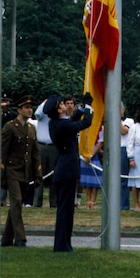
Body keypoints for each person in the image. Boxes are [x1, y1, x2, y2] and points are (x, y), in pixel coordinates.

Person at [45, 92, 93, 252]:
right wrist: (90, 109)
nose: (65, 105)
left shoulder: (56, 123)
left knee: (65, 210)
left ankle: (63, 244)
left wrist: (82, 107)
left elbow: (72, 120)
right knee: (66, 210)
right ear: (59, 109)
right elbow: (85, 123)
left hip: (64, 169)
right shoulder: (61, 125)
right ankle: (62, 246)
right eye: (62, 104)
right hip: (67, 170)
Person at [1, 95, 42, 247]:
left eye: (31, 108)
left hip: (25, 171)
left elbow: (35, 152)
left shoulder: (31, 129)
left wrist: (38, 173)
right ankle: (20, 238)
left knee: (16, 205)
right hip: (12, 170)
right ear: (19, 110)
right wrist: (2, 174)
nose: (29, 110)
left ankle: (6, 239)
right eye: (26, 108)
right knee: (16, 201)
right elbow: (3, 152)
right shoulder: (10, 127)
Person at [27, 98, 58, 208]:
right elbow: (37, 113)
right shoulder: (42, 116)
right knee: (39, 174)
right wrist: (44, 103)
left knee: (53, 176)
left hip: (53, 146)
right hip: (41, 146)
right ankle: (37, 201)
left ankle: (54, 202)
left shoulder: (55, 116)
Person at [79, 124, 103, 208]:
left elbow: (100, 143)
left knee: (95, 179)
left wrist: (91, 155)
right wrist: (84, 154)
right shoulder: (84, 128)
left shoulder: (100, 128)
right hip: (84, 153)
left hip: (94, 154)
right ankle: (88, 200)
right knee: (87, 179)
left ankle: (93, 201)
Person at [120, 103, 134, 210]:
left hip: (123, 149)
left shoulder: (128, 121)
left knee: (122, 178)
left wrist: (116, 119)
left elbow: (124, 131)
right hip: (112, 148)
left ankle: (124, 205)